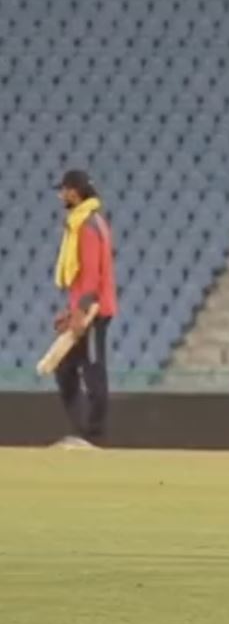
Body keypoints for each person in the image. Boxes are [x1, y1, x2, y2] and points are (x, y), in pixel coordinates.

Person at [52, 169, 118, 448]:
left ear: (75, 192)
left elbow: (91, 273)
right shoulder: (85, 222)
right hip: (84, 307)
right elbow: (81, 276)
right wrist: (71, 310)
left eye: (64, 190)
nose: (60, 195)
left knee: (92, 370)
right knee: (64, 368)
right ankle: (84, 433)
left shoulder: (88, 225)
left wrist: (80, 311)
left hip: (93, 311)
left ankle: (94, 436)